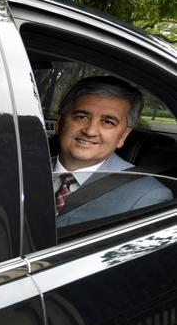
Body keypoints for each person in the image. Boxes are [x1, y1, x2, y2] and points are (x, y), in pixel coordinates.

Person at [53, 76, 172, 226]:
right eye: (82, 116)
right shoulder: (23, 168)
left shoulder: (146, 197)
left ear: (123, 135)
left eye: (108, 122)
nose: (90, 131)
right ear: (59, 122)